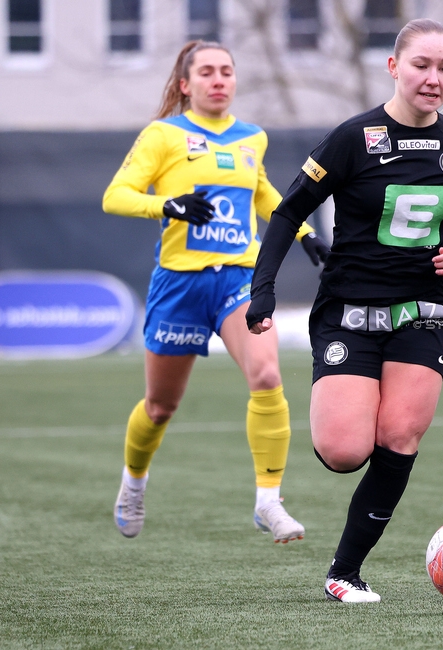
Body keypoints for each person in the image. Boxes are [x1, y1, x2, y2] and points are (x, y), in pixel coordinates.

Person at [246, 19, 443, 603]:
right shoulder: (353, 137)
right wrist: (264, 290)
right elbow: (285, 213)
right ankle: (351, 406)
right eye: (421, 65)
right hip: (348, 310)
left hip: (424, 313)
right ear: (394, 67)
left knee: (400, 435)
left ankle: (344, 573)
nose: (433, 78)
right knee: (345, 451)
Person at [102, 41, 330, 543]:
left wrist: (304, 233)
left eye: (226, 70)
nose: (219, 79)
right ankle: (133, 483)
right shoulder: (164, 134)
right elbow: (115, 196)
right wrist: (169, 206)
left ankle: (269, 502)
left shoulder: (253, 137)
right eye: (207, 72)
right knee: (160, 407)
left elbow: (264, 191)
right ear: (186, 85)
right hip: (179, 284)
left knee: (268, 374)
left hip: (237, 279)